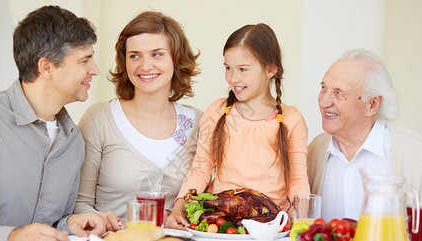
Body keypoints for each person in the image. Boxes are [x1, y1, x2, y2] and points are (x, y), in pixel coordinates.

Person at [0, 6, 107, 241]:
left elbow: (51, 223)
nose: (95, 69)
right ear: (46, 68)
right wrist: (10, 240)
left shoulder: (73, 140)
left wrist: (70, 225)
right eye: (85, 60)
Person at [166, 23, 310, 230]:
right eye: (228, 68)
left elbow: (297, 178)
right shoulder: (218, 111)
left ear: (271, 69)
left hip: (272, 224)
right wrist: (180, 203)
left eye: (243, 69)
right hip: (221, 222)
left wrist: (300, 211)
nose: (233, 78)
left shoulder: (292, 119)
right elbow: (201, 166)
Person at [74, 11, 202, 227]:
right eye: (134, 55)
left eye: (157, 54)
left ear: (176, 58)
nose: (145, 66)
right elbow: (80, 203)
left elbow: (202, 200)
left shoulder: (197, 122)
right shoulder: (99, 119)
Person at [307, 48, 422, 221]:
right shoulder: (315, 151)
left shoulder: (414, 154)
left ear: (372, 104)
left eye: (339, 93)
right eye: (324, 88)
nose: (324, 101)